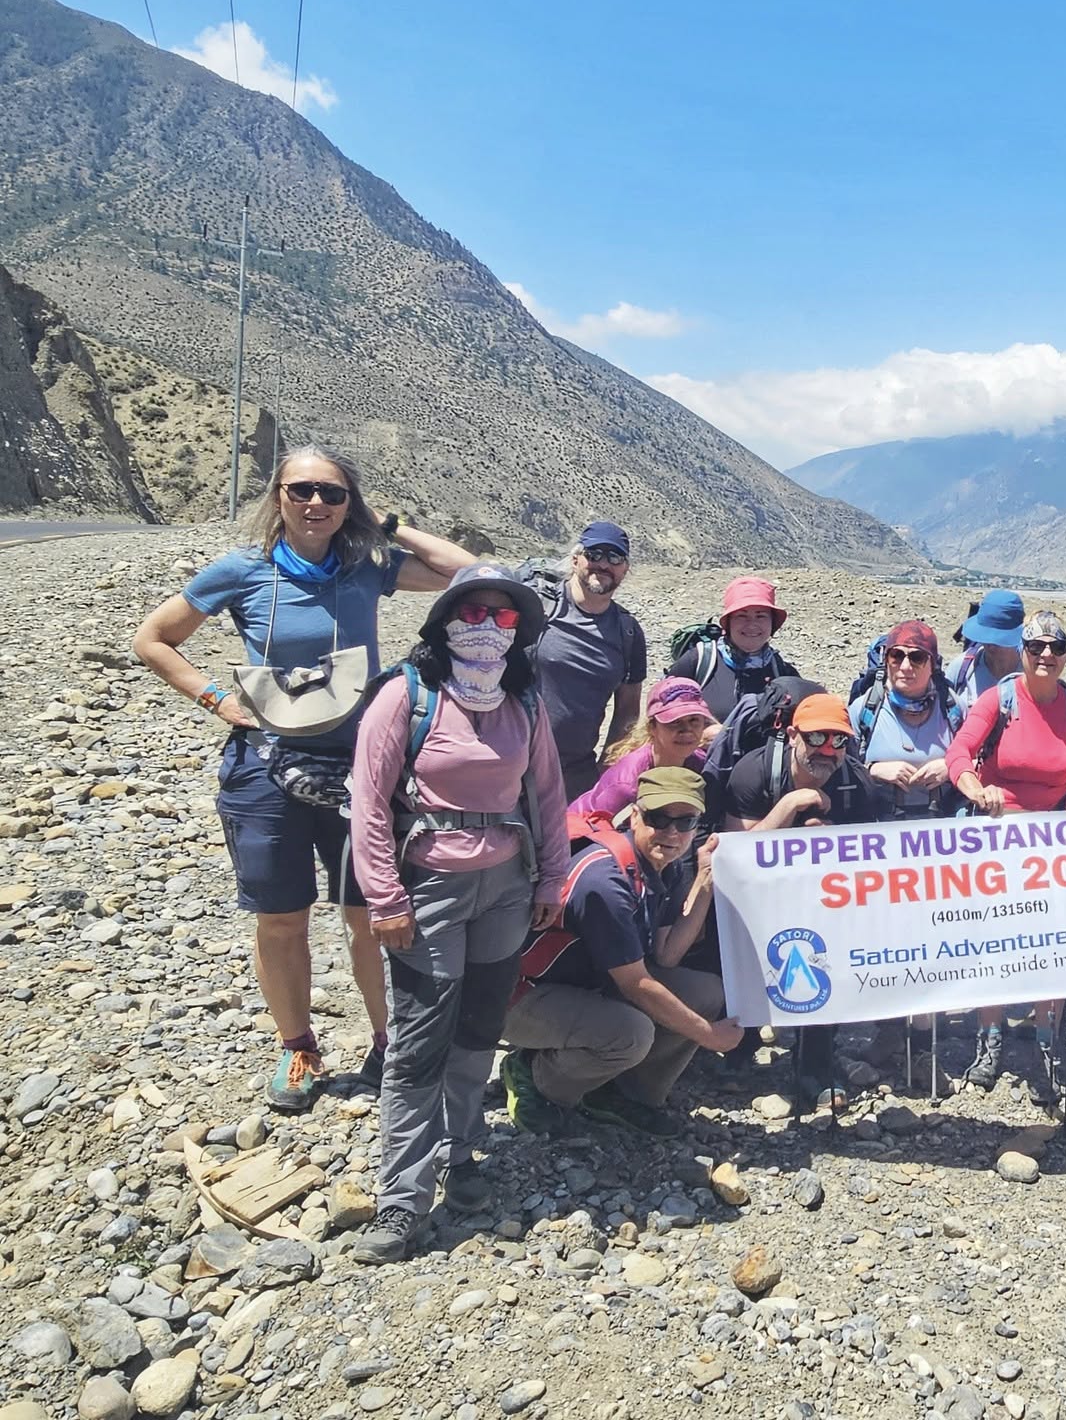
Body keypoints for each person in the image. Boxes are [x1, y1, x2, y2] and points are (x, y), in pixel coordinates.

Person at [133, 446, 474, 1113]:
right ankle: (299, 1048)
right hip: (265, 766)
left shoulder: (367, 566)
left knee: (372, 916)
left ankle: (390, 1044)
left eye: (333, 493)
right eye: (301, 490)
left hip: (360, 771)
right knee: (282, 918)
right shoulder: (243, 571)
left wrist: (388, 525)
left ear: (350, 504)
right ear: (278, 496)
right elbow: (154, 639)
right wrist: (213, 697)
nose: (316, 503)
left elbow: (466, 573)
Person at [346, 563, 571, 1262]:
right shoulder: (406, 696)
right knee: (419, 1044)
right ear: (444, 620)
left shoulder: (523, 702)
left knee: (477, 1030)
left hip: (506, 886)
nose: (487, 627)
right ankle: (401, 1199)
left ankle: (461, 1152)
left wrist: (552, 879)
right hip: (430, 889)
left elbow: (547, 792)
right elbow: (368, 802)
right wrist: (385, 898)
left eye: (504, 616)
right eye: (473, 612)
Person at [499, 767, 742, 1137]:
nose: (672, 833)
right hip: (518, 994)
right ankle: (535, 1077)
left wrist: (705, 880)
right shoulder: (606, 882)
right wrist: (709, 1035)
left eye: (685, 822)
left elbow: (667, 955)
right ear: (634, 816)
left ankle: (620, 1092)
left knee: (706, 993)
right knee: (631, 1033)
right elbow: (636, 985)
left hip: (581, 984)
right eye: (659, 818)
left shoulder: (665, 865)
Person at [947, 610, 1066, 1092]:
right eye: (1036, 647)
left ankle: (1045, 1042)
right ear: (1023, 651)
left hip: (1050, 844)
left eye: (1057, 647)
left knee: (1050, 944)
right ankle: (989, 1039)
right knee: (996, 940)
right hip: (997, 838)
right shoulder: (999, 699)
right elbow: (959, 752)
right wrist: (975, 788)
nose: (1046, 655)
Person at [724, 693, 889, 1110]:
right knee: (745, 959)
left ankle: (814, 1068)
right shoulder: (753, 772)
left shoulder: (856, 784)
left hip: (826, 895)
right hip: (755, 892)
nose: (827, 750)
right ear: (793, 734)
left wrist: (829, 838)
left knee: (824, 967)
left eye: (839, 741)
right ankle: (739, 1048)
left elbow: (871, 858)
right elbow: (733, 856)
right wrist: (790, 806)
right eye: (816, 738)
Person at [531, 521, 648, 800]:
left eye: (614, 557)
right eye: (594, 554)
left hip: (575, 777)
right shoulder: (538, 607)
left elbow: (627, 711)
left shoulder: (628, 632)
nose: (603, 564)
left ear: (625, 569)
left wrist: (606, 773)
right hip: (513, 764)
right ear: (575, 560)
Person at [851, 620, 965, 819]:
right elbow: (841, 768)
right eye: (896, 656)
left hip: (943, 826)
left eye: (917, 658)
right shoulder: (864, 709)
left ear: (933, 664)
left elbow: (982, 762)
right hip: (879, 826)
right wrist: (872, 770)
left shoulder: (954, 708)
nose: (905, 667)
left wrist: (952, 766)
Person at [569, 675, 717, 816]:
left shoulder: (700, 765)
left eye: (694, 720)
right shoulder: (627, 785)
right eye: (674, 722)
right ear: (652, 728)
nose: (686, 730)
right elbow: (599, 828)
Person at [669, 576, 800, 722]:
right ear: (728, 623)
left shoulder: (783, 672)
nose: (752, 624)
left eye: (761, 616)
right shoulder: (698, 662)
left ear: (772, 623)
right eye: (742, 616)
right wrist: (704, 731)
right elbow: (662, 714)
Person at [948, 590, 1025, 702]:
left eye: (999, 640)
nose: (990, 646)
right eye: (985, 638)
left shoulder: (1032, 672)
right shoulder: (962, 667)